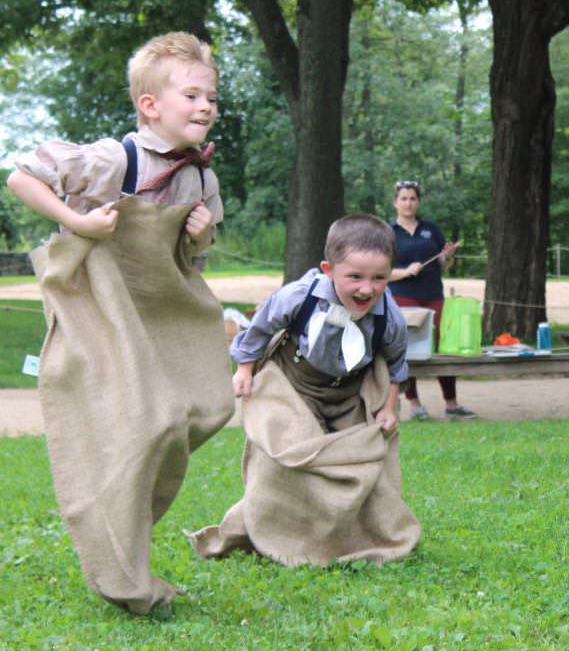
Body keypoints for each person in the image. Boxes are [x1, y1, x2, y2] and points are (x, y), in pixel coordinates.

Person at [5, 32, 234, 612]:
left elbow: (193, 252)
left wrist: (200, 229)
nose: (206, 105)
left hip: (162, 311)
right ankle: (121, 565)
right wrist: (76, 223)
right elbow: (22, 176)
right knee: (147, 422)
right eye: (192, 95)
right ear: (150, 105)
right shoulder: (116, 158)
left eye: (211, 96)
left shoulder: (201, 176)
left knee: (210, 406)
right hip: (105, 311)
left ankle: (127, 519)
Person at [187, 214, 421, 567]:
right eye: (354, 277)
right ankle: (258, 532)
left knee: (357, 465)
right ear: (328, 269)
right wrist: (245, 371)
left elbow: (396, 364)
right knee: (281, 464)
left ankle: (347, 539)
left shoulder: (389, 317)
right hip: (292, 386)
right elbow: (260, 328)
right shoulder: (300, 296)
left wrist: (389, 408)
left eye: (379, 278)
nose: (367, 289)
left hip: (346, 394)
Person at [389, 179, 477, 421]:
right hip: (402, 295)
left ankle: (452, 404)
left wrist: (448, 257)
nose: (408, 203)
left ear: (418, 202)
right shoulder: (388, 232)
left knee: (441, 346)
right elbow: (381, 271)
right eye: (404, 198)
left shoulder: (431, 229)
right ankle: (415, 404)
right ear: (395, 202)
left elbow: (445, 265)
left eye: (413, 198)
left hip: (433, 295)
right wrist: (406, 271)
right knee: (411, 348)